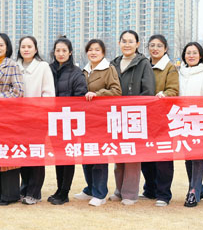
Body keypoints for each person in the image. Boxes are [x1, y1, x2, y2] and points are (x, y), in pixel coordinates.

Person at [109, 30, 155, 205]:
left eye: (131, 41)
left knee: (132, 156)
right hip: (116, 116)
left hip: (135, 116)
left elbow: (148, 91)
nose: (127, 45)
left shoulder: (143, 63)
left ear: (137, 44)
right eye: (124, 41)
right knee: (119, 155)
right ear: (119, 43)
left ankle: (130, 193)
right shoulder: (113, 63)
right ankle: (119, 190)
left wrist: (133, 107)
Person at [73, 39, 121, 207]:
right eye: (90, 50)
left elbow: (116, 91)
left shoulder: (109, 69)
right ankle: (90, 188)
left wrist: (97, 94)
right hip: (85, 119)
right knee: (86, 155)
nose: (93, 53)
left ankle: (100, 193)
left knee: (99, 156)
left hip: (101, 119)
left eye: (97, 50)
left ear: (103, 53)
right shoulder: (84, 70)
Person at [0, 33, 25, 206]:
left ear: (7, 47)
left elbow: (18, 91)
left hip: (9, 116)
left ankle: (10, 194)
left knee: (8, 154)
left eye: (1, 45)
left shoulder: (12, 65)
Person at [48, 37, 88, 205]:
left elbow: (80, 95)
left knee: (68, 156)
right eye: (58, 50)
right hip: (53, 121)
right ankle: (59, 189)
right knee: (58, 156)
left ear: (70, 53)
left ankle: (65, 192)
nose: (61, 53)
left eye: (64, 50)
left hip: (69, 121)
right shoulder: (48, 69)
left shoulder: (76, 72)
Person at [179, 42, 203, 207]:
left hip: (200, 120)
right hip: (182, 120)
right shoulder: (180, 73)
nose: (191, 56)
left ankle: (193, 192)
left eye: (194, 52)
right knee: (188, 156)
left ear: (200, 55)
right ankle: (198, 188)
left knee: (197, 156)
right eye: (188, 53)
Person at [140, 34, 179, 206]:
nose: (155, 48)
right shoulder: (143, 65)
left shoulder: (170, 68)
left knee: (163, 158)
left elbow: (173, 90)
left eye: (159, 46)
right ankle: (150, 189)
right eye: (152, 45)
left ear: (165, 49)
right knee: (146, 156)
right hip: (145, 117)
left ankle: (164, 194)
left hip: (163, 118)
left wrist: (163, 95)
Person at [16, 35, 55, 205]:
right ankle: (24, 189)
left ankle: (34, 192)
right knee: (22, 155)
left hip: (37, 119)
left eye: (29, 46)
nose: (26, 49)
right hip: (18, 120)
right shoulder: (15, 66)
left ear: (36, 49)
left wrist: (37, 112)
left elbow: (49, 94)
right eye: (23, 47)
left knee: (36, 155)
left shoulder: (43, 66)